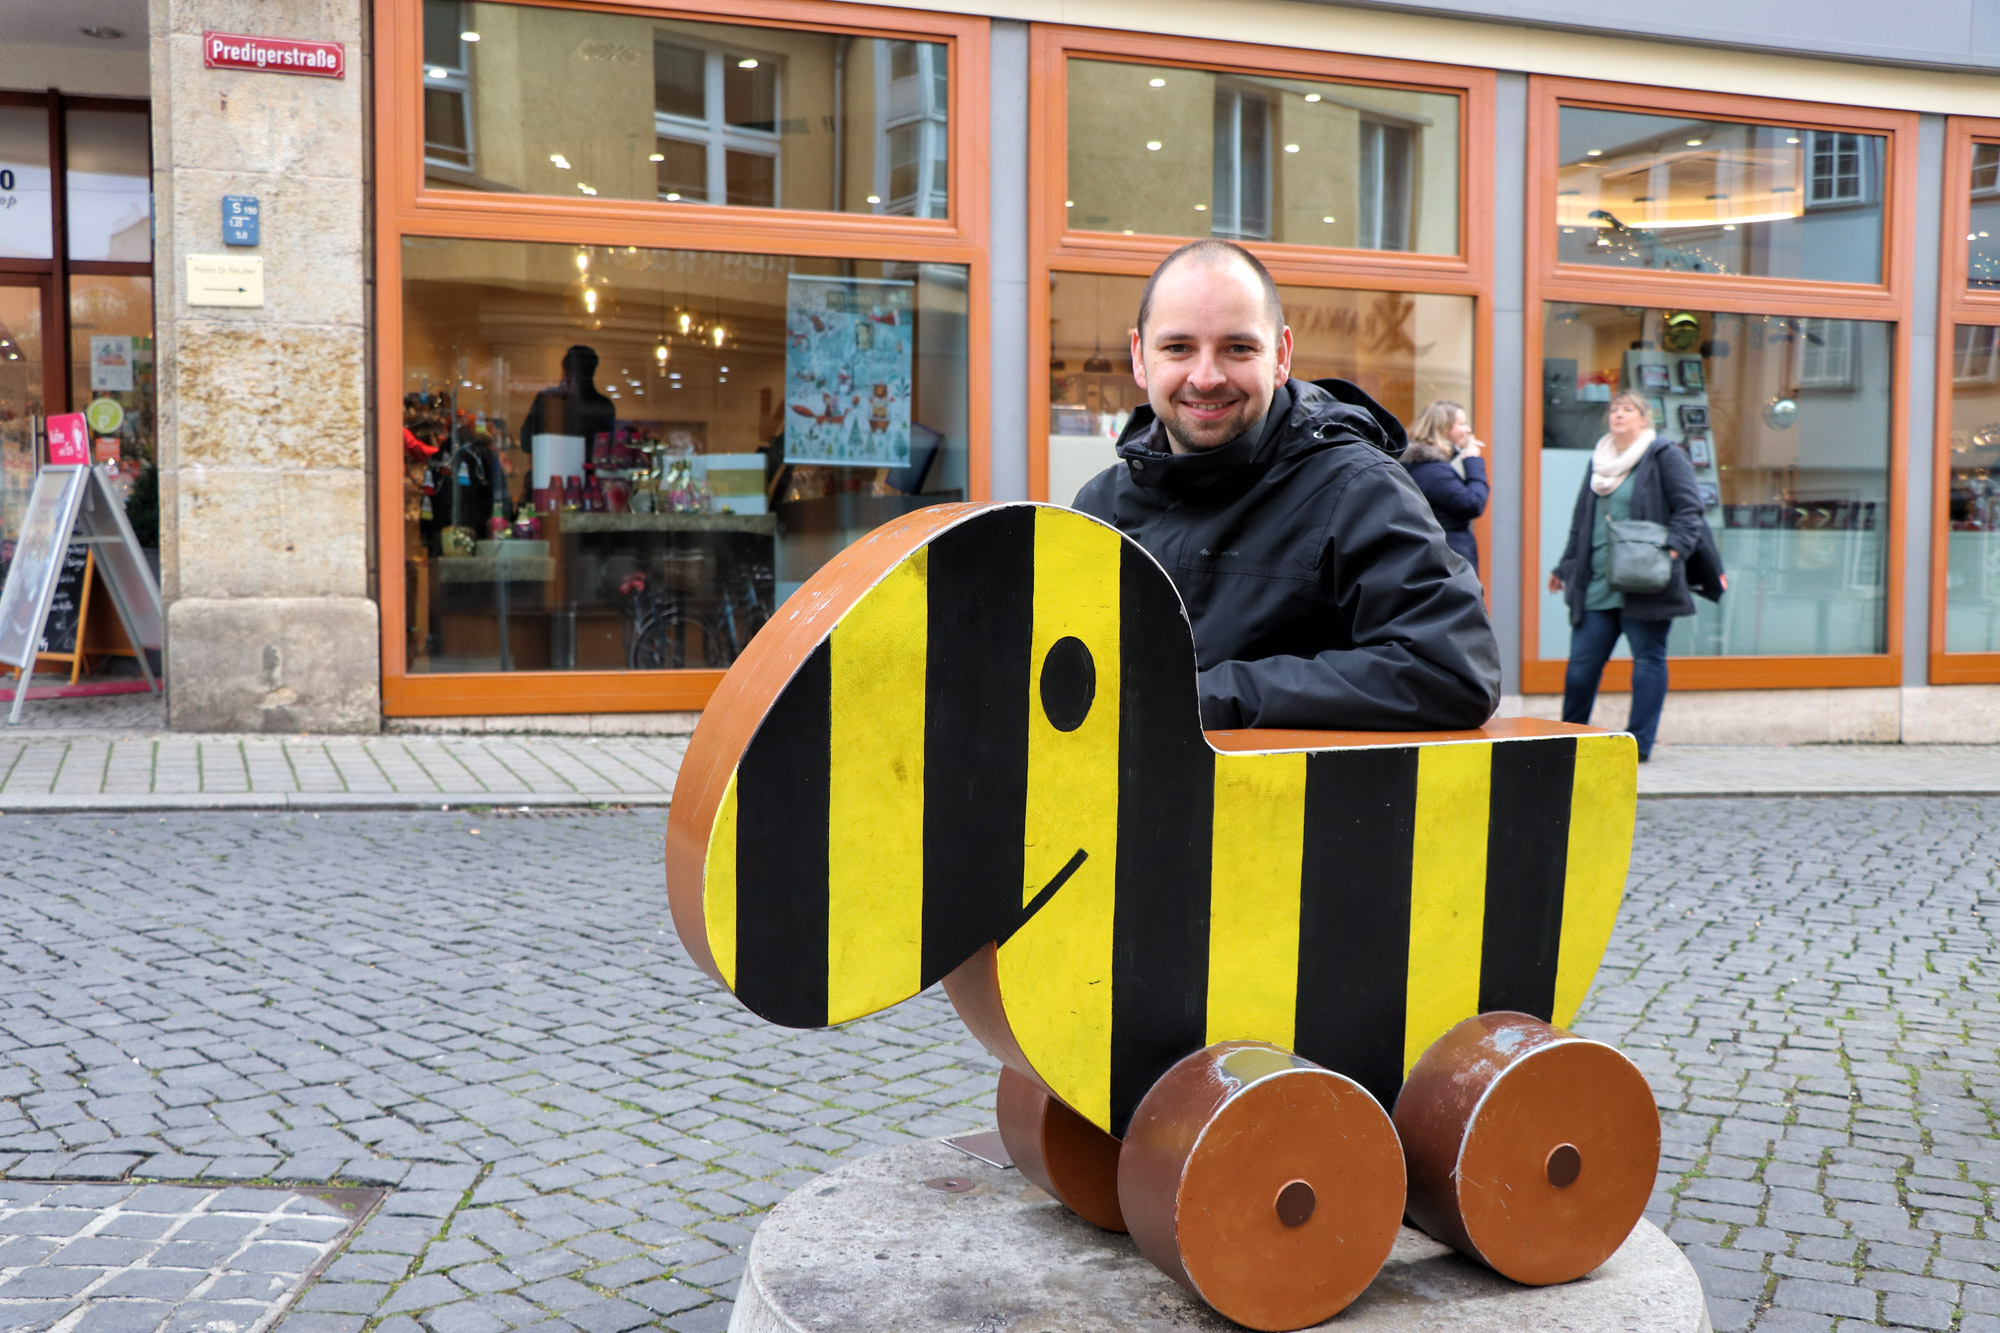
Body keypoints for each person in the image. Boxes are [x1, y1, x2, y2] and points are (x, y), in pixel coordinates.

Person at [1072, 240, 1500, 731]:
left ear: (1280, 356)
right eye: (1178, 347)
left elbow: (1452, 672)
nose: (1206, 377)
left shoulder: (1358, 491)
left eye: (1238, 347)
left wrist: (1201, 698)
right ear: (1139, 357)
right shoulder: (1100, 504)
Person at [1548, 389, 1721, 761]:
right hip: (1597, 579)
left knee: (1647, 660)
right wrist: (1565, 565)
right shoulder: (1599, 461)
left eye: (1628, 409)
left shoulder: (1664, 456)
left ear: (1645, 419)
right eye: (1614, 409)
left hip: (1647, 580)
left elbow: (1690, 509)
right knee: (1581, 665)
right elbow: (1583, 520)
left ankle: (1639, 744)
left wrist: (1673, 550)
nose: (1619, 414)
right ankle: (1568, 739)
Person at [1402, 399, 1489, 576]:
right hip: (1448, 565)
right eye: (1462, 424)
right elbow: (1473, 503)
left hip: (1440, 561)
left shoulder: (1425, 466)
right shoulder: (1433, 471)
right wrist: (1472, 460)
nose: (1468, 430)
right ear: (1444, 429)